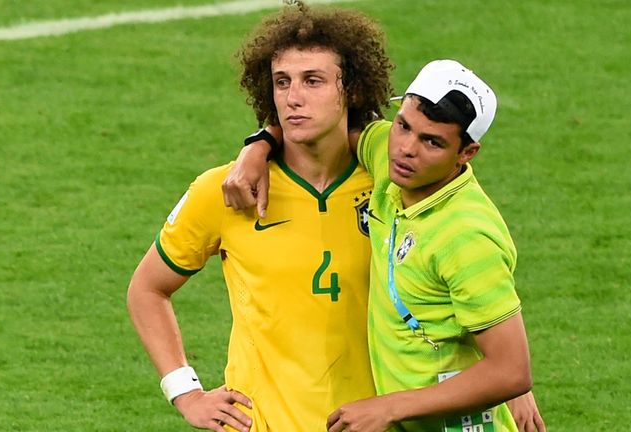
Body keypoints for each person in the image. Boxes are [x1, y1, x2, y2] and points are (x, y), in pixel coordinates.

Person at [225, 61, 547, 432]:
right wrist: (259, 145)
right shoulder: (387, 157)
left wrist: (389, 408)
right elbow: (327, 123)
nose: (406, 149)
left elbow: (511, 371)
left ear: (466, 153)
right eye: (404, 126)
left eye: (432, 142)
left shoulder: (466, 235)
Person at [126, 1, 393, 431]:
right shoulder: (227, 191)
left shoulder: (391, 187)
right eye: (282, 82)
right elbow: (147, 290)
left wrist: (506, 379)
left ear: (354, 90)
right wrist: (186, 392)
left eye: (313, 81)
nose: (293, 98)